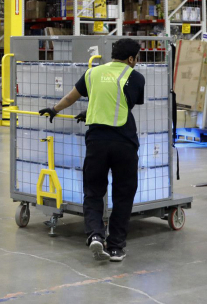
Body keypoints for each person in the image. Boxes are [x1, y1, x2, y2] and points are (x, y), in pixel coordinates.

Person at [38, 38, 145, 263]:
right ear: (131, 58)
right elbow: (125, 104)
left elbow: (71, 97)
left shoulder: (92, 73)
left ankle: (95, 234)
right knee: (123, 195)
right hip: (124, 142)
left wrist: (54, 109)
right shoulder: (135, 77)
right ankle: (116, 247)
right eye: (137, 58)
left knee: (93, 192)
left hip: (96, 142)